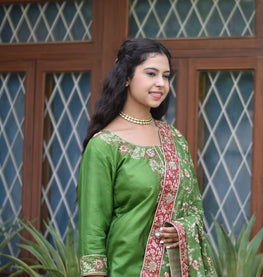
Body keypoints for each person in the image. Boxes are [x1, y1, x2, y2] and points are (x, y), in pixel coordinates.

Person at [77, 38, 215, 277]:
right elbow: (92, 234)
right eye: (151, 73)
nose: (160, 83)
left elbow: (194, 207)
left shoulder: (175, 139)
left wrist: (180, 229)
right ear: (127, 77)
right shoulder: (104, 145)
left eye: (166, 76)